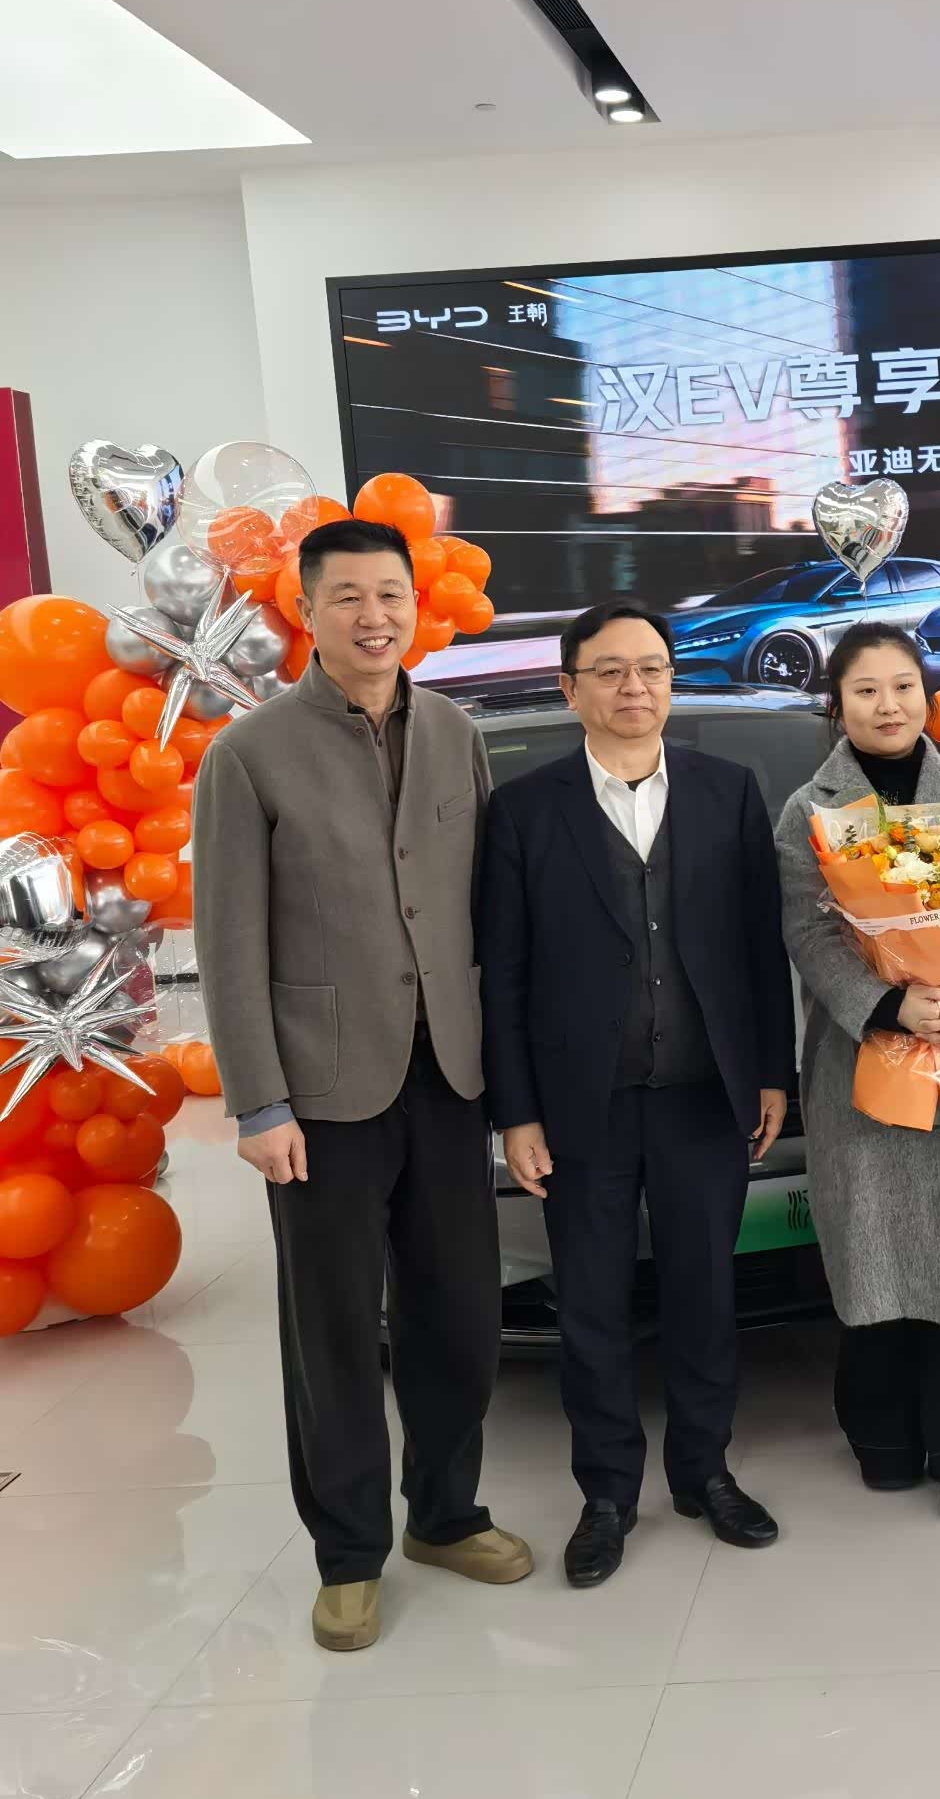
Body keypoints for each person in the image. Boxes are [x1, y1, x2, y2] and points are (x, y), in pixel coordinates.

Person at [194, 516, 532, 1656]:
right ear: (307, 612)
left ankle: (445, 1513)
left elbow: (477, 910)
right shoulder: (249, 754)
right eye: (348, 596)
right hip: (321, 1090)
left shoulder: (454, 732)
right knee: (334, 1329)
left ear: (414, 605)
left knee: (458, 1312)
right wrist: (259, 1102)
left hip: (447, 1074)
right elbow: (229, 941)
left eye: (391, 593)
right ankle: (347, 1554)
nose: (374, 615)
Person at [477, 600, 793, 1586]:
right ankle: (607, 1493)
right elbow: (503, 975)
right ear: (570, 687)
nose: (634, 686)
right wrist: (516, 1110)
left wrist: (771, 1073)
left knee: (704, 1295)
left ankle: (706, 1472)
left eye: (651, 667)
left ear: (671, 679)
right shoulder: (523, 811)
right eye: (609, 670)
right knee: (593, 1306)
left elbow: (759, 950)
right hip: (583, 1108)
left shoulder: (727, 792)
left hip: (704, 1096)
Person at [775, 622, 940, 1515]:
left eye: (902, 688)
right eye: (865, 691)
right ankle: (884, 1436)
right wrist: (889, 1005)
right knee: (876, 1255)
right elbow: (809, 932)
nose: (886, 706)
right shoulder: (809, 810)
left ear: (927, 699)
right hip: (865, 1060)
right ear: (837, 705)